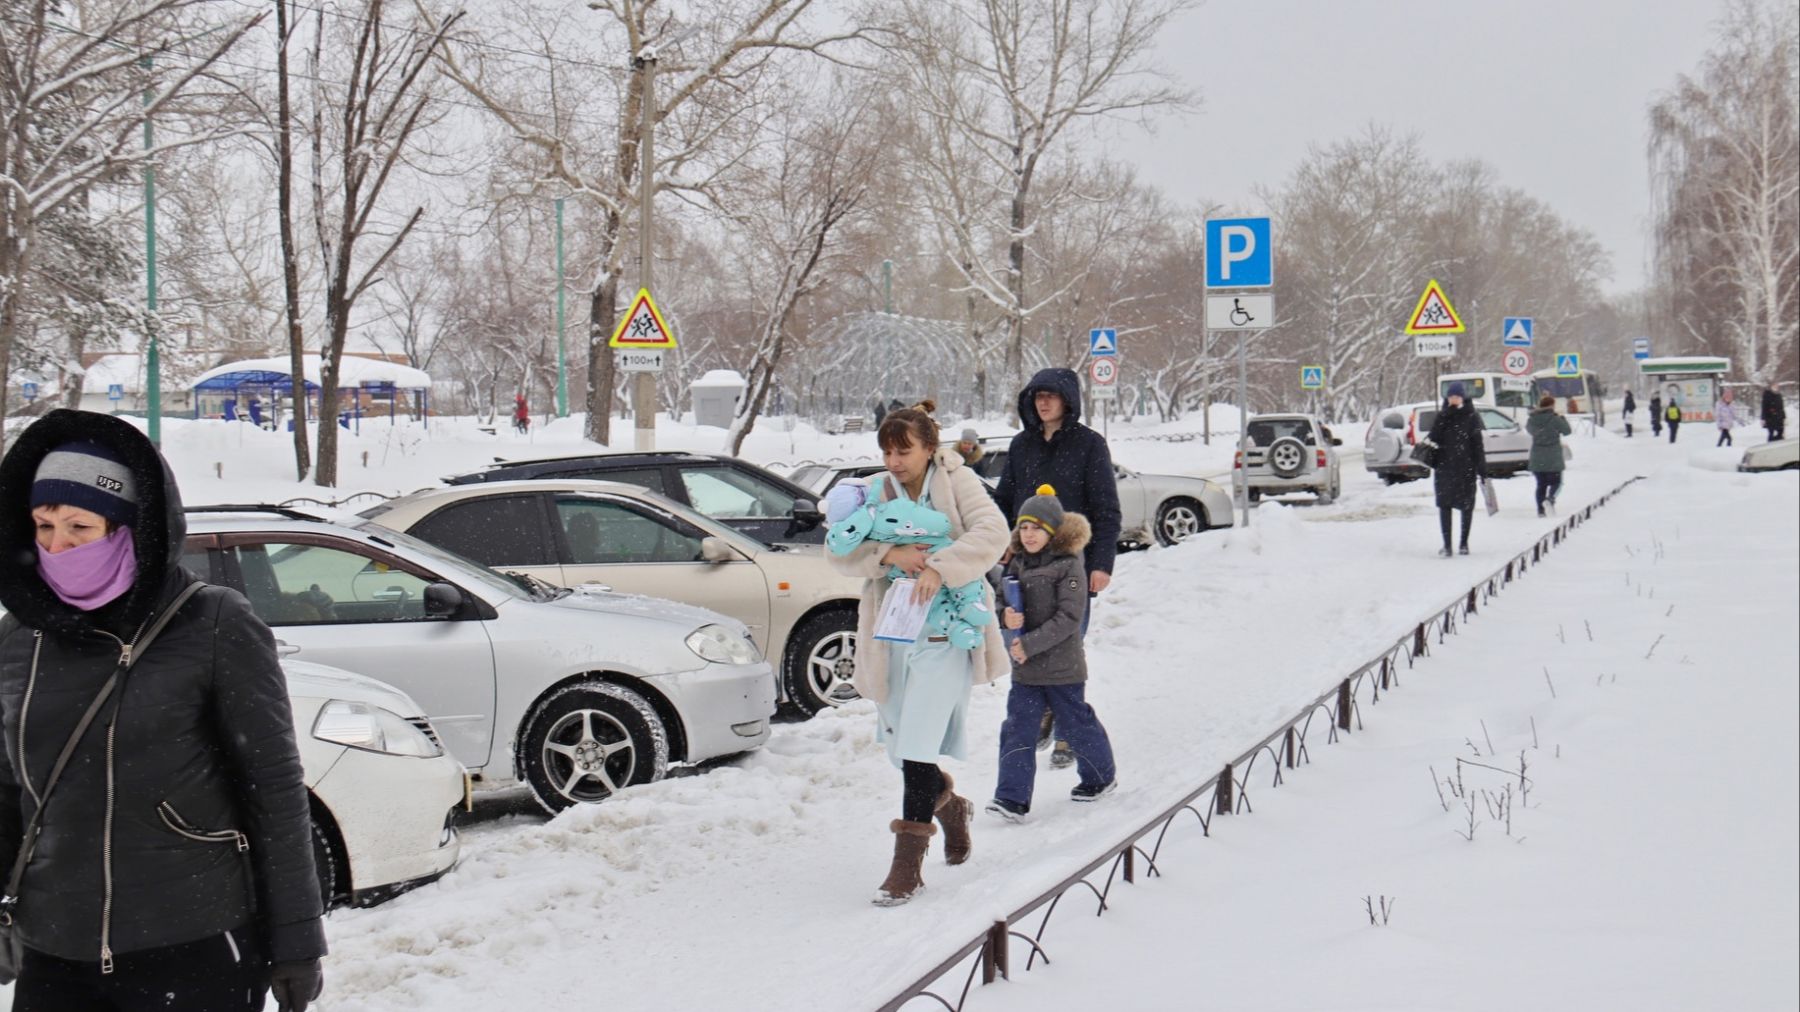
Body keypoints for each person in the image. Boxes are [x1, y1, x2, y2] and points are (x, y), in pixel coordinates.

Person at [0, 410, 326, 1011]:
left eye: (79, 527)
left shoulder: (213, 623)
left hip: (193, 944)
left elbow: (274, 790)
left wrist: (296, 940)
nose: (55, 546)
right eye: (43, 526)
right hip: (53, 951)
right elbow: (6, 791)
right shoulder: (22, 638)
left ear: (129, 528)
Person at [824, 401, 1009, 907]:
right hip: (894, 633)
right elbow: (837, 551)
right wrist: (889, 555)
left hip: (947, 633)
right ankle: (951, 806)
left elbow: (993, 534)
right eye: (886, 450)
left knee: (919, 742)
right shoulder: (875, 490)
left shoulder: (959, 481)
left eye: (904, 450)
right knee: (902, 746)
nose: (894, 460)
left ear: (930, 447)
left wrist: (939, 567)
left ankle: (906, 867)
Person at [991, 368, 1122, 771]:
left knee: (1065, 643)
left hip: (1071, 562)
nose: (1043, 402)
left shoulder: (1089, 445)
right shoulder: (1021, 445)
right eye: (1036, 396)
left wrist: (1101, 563)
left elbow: (1105, 508)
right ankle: (1045, 710)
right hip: (1024, 561)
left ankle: (1066, 730)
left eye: (1051, 395)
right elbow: (1005, 500)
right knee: (1023, 638)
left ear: (1067, 400)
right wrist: (1000, 548)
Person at [988, 487, 1117, 822]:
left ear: (1053, 531)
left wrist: (1028, 643)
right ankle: (1011, 798)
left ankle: (1100, 778)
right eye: (1024, 528)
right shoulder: (1016, 562)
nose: (1029, 535)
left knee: (1076, 726)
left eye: (1037, 528)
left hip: (1062, 667)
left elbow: (1069, 618)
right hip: (1026, 669)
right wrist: (1006, 615)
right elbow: (1002, 599)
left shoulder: (1069, 566)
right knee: (1018, 729)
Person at [1424, 382, 1487, 557]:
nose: (1454, 399)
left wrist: (1482, 468)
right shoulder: (1442, 416)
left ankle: (1464, 543)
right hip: (1444, 468)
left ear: (1463, 397)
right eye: (1451, 396)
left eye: (1457, 396)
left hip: (1465, 468)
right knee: (1445, 506)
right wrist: (1444, 417)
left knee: (1466, 506)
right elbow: (1433, 437)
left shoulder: (1471, 416)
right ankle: (1447, 545)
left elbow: (1477, 444)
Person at [1526, 394, 1572, 517]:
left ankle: (1540, 510)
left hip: (1537, 457)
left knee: (1541, 484)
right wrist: (1562, 418)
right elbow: (1567, 431)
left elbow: (1530, 430)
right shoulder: (1555, 419)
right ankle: (1550, 499)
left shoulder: (1532, 419)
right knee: (1557, 483)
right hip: (1553, 456)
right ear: (1552, 405)